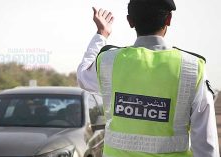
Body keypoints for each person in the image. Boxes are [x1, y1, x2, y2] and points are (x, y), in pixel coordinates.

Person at [77, 0, 219, 156]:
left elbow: (83, 75)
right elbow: (206, 146)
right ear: (168, 19)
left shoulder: (109, 62)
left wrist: (101, 34)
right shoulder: (192, 68)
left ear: (130, 21)